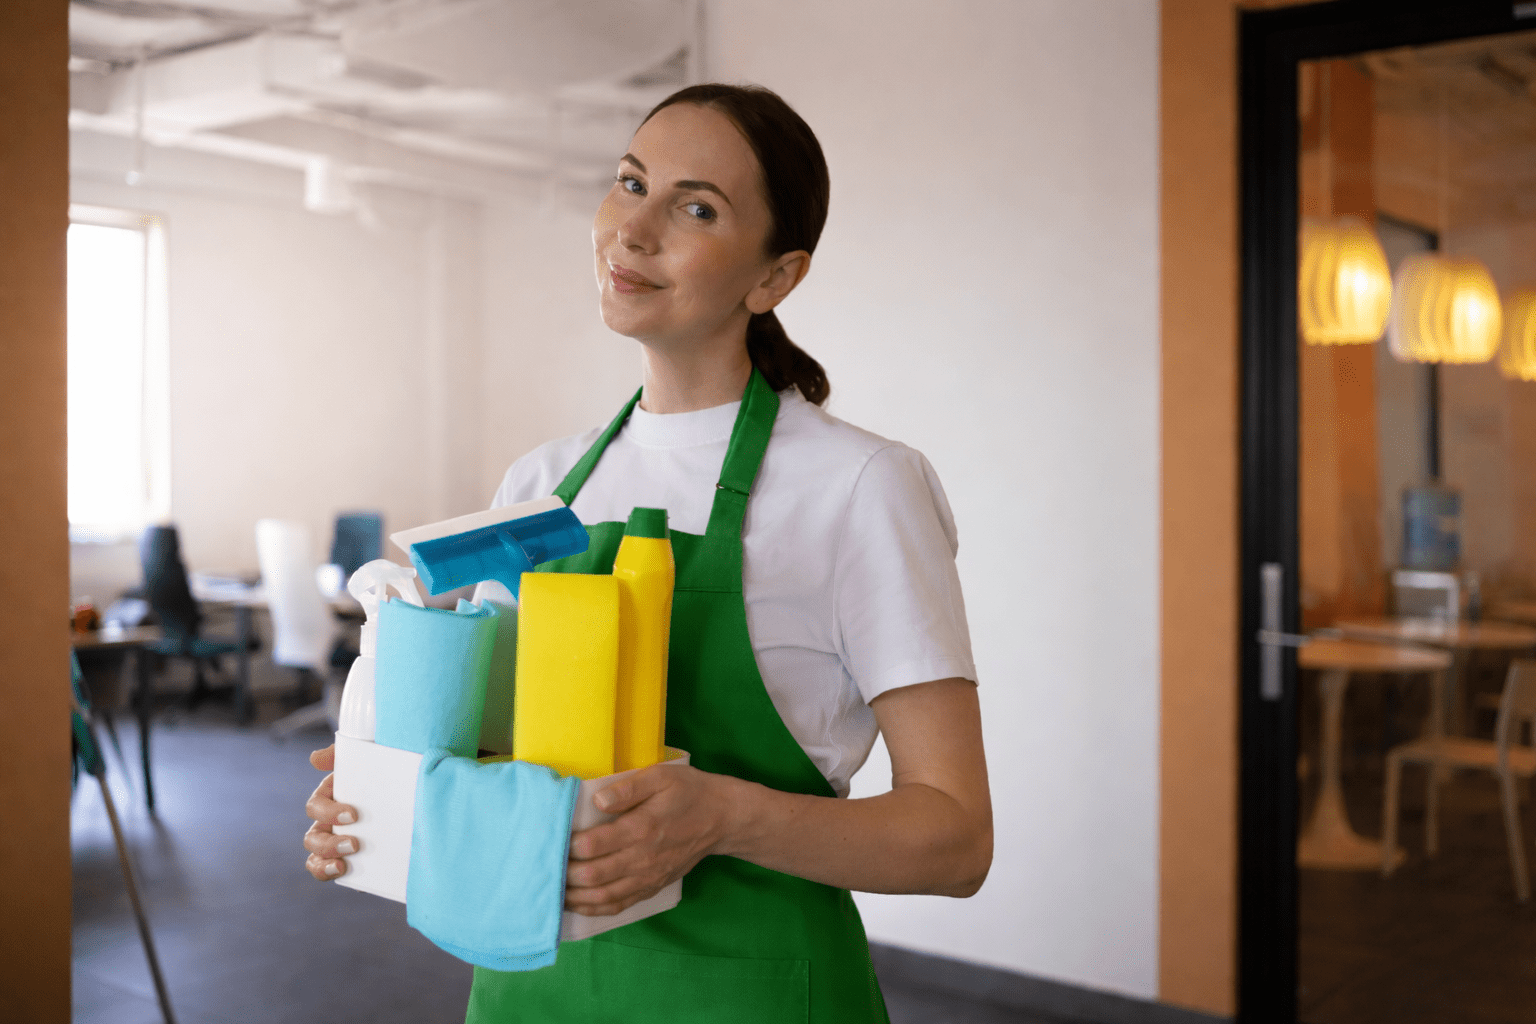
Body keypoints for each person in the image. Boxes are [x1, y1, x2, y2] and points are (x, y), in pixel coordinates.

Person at [303, 82, 991, 1023]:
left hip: (751, 994)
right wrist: (389, 802)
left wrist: (726, 816)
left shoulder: (862, 486)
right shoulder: (541, 482)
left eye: (696, 208)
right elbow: (494, 762)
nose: (632, 230)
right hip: (531, 985)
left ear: (774, 278)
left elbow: (956, 839)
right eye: (631, 183)